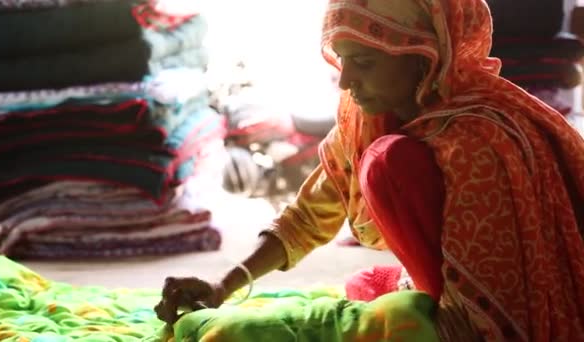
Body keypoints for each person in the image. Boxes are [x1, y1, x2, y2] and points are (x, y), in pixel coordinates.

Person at [155, 0, 584, 340]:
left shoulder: (480, 141)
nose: (345, 82)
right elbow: (309, 215)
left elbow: (505, 305)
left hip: (490, 318)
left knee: (389, 163)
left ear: (422, 57)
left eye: (364, 62)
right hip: (442, 291)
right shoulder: (367, 118)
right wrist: (222, 286)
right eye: (342, 60)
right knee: (368, 282)